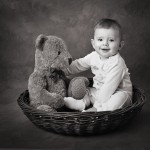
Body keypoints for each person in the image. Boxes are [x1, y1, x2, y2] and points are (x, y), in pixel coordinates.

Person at [64, 18, 132, 112]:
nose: (105, 43)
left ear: (120, 45)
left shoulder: (117, 63)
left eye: (111, 40)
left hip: (117, 92)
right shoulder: (93, 56)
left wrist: (96, 107)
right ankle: (80, 103)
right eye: (100, 39)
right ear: (93, 43)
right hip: (99, 92)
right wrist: (63, 70)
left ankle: (98, 111)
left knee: (118, 99)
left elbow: (108, 88)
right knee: (87, 91)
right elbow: (78, 64)